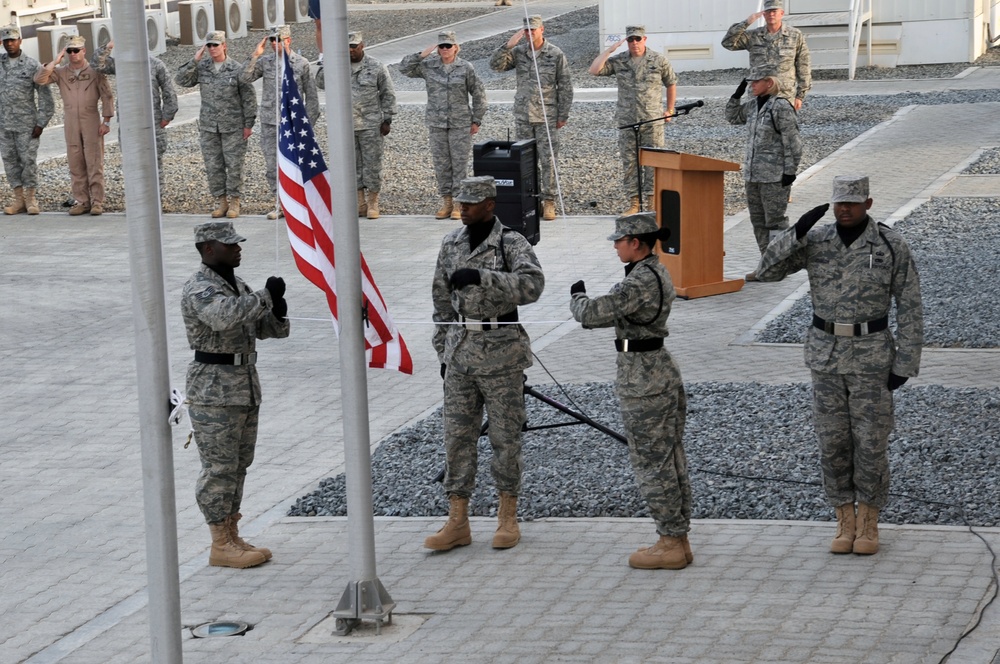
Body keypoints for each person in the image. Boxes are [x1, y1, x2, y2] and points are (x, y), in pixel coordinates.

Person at [755, 176, 923, 556]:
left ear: (868, 202)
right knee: (832, 443)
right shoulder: (817, 241)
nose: (844, 208)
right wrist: (795, 232)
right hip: (826, 355)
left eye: (852, 202)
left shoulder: (889, 244)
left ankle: (869, 521)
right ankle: (843, 519)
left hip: (872, 357)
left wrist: (905, 362)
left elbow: (910, 305)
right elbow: (765, 271)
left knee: (870, 442)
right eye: (838, 202)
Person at [427, 175, 545, 552]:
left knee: (504, 438)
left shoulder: (511, 242)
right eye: (460, 202)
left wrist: (484, 276)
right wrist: (443, 350)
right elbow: (441, 300)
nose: (462, 208)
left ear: (490, 205)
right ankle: (457, 520)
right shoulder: (451, 243)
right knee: (457, 438)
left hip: (502, 354)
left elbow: (533, 286)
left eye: (470, 203)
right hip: (461, 353)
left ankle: (507, 516)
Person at [569, 212, 693, 570]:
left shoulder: (640, 280)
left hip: (644, 379)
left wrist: (577, 296)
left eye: (619, 242)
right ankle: (678, 537)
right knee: (669, 456)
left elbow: (591, 313)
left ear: (635, 243)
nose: (615, 247)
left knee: (652, 461)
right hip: (656, 370)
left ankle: (670, 539)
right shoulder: (651, 272)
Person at [181, 220, 290, 568]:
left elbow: (265, 329)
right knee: (219, 468)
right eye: (231, 245)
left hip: (243, 385)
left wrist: (278, 308)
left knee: (239, 465)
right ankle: (219, 543)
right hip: (214, 389)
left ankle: (231, 532)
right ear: (209, 249)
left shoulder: (236, 284)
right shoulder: (200, 288)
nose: (239, 248)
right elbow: (223, 318)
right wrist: (264, 297)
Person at [490, 14, 572, 221]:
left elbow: (565, 85)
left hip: (547, 115)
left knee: (548, 159)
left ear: (542, 29)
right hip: (523, 115)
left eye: (533, 29)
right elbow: (496, 66)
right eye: (526, 30)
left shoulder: (555, 54)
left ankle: (549, 200)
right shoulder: (518, 52)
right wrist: (507, 45)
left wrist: (563, 114)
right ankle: (531, 201)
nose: (529, 33)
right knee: (526, 161)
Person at [589, 25, 677, 215]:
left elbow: (671, 83)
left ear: (644, 39)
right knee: (630, 163)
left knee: (654, 161)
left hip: (652, 120)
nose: (634, 43)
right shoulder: (619, 61)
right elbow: (594, 70)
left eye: (638, 39)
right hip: (627, 120)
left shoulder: (658, 60)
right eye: (630, 40)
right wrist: (610, 49)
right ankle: (634, 203)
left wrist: (670, 109)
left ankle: (652, 202)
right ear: (626, 42)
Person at [399, 30, 487, 220]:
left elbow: (479, 94)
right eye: (441, 46)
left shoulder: (465, 67)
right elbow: (404, 68)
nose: (445, 49)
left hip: (460, 123)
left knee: (459, 164)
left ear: (456, 47)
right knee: (441, 164)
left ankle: (458, 203)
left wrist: (476, 119)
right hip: (437, 123)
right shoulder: (428, 66)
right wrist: (422, 54)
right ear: (437, 49)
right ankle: (446, 201)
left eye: (448, 46)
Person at [725, 65, 802, 270]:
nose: (751, 86)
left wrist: (790, 172)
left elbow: (793, 142)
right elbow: (732, 117)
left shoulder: (781, 107)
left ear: (769, 82)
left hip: (774, 176)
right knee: (758, 221)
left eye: (755, 82)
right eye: (749, 83)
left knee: (775, 221)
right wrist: (737, 95)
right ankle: (767, 263)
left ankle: (781, 261)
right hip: (753, 175)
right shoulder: (752, 106)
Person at [175, 31, 257, 219]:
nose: (212, 48)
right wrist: (195, 60)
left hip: (233, 126)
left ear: (224, 46)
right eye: (209, 45)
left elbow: (249, 98)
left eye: (215, 45)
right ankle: (221, 201)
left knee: (234, 165)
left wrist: (248, 124)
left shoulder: (236, 68)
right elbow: (181, 80)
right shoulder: (203, 67)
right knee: (213, 165)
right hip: (209, 127)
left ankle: (235, 201)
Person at [242, 24, 320, 220]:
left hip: (294, 125)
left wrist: (307, 124)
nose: (274, 44)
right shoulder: (265, 62)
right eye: (272, 41)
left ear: (288, 40)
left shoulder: (301, 63)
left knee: (296, 164)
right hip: (270, 122)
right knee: (272, 165)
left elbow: (311, 96)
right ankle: (280, 203)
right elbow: (244, 78)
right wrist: (255, 55)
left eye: (279, 40)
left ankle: (299, 203)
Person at [34, 35, 113, 216]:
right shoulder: (61, 72)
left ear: (84, 51)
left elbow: (107, 96)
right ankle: (82, 201)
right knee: (76, 163)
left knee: (94, 162)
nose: (73, 54)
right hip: (70, 122)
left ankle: (97, 201)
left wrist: (106, 121)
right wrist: (56, 60)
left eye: (76, 50)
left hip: (91, 119)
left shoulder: (95, 70)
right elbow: (39, 79)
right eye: (69, 51)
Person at [90, 40, 178, 194]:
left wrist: (167, 116)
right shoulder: (122, 64)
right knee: (132, 163)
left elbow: (169, 92)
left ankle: (157, 198)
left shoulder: (156, 65)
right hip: (129, 124)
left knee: (153, 163)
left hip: (152, 122)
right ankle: (137, 198)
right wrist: (108, 47)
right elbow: (97, 64)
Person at [0, 25, 54, 216]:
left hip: (27, 126)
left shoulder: (32, 65)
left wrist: (41, 123)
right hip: (4, 126)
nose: (10, 44)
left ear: (20, 41)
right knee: (10, 162)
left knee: (28, 161)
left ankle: (31, 199)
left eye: (13, 40)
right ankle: (18, 200)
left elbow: (46, 97)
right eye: (6, 40)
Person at [722, 0, 811, 111]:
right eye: (768, 11)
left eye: (774, 11)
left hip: (784, 94)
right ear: (763, 14)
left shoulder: (794, 35)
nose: (771, 14)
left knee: (783, 127)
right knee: (757, 127)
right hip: (758, 94)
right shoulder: (754, 36)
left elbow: (803, 65)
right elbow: (727, 43)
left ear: (781, 13)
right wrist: (746, 22)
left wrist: (800, 95)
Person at [348, 32, 396, 220]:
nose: (351, 50)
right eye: (348, 47)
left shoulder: (375, 66)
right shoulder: (339, 66)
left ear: (362, 45)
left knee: (372, 165)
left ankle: (373, 202)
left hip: (370, 124)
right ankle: (360, 203)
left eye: (354, 46)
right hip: (347, 125)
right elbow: (321, 82)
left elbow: (387, 93)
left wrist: (387, 119)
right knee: (352, 165)